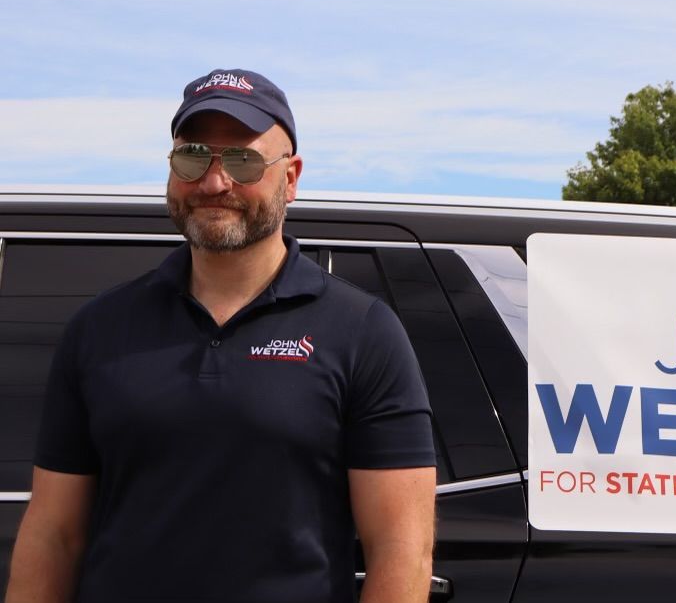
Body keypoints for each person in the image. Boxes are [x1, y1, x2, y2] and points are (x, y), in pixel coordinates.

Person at [5, 69, 437, 602]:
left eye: (242, 160)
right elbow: (53, 535)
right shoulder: (98, 329)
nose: (213, 182)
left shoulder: (363, 332)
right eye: (193, 157)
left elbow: (401, 550)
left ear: (292, 177)